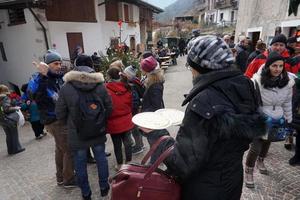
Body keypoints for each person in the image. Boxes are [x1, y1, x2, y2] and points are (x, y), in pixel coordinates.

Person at [160, 36, 266, 200]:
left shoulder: (203, 101)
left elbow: (181, 164)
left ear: (198, 66)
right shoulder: (246, 85)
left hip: (204, 188)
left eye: (190, 66)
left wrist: (159, 136)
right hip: (233, 180)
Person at [56, 65, 112, 200]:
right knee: (101, 159)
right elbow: (109, 108)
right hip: (98, 130)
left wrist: (69, 124)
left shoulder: (66, 88)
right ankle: (104, 188)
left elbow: (60, 113)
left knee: (80, 163)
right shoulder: (100, 86)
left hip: (77, 132)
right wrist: (100, 121)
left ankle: (86, 193)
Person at [244, 52, 294, 188]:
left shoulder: (287, 82)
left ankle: (261, 161)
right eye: (274, 66)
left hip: (277, 116)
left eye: (280, 66)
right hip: (260, 117)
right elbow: (250, 101)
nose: (277, 69)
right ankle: (249, 170)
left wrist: (289, 118)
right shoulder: (257, 81)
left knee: (268, 142)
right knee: (255, 147)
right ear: (268, 66)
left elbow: (287, 102)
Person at [30, 50, 75, 188]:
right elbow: (34, 96)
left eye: (60, 63)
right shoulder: (39, 79)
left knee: (60, 149)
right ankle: (69, 179)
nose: (59, 65)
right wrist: (43, 76)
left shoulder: (57, 77)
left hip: (59, 118)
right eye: (56, 63)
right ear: (47, 65)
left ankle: (61, 177)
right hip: (54, 120)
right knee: (69, 150)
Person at [106, 67, 134, 170]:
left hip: (113, 122)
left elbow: (107, 106)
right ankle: (129, 162)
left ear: (109, 76)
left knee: (117, 145)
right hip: (126, 119)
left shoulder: (106, 89)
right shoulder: (127, 86)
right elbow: (131, 104)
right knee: (128, 142)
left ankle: (120, 165)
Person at [122, 65, 146, 155]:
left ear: (128, 75)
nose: (123, 75)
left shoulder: (132, 84)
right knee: (136, 128)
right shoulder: (136, 80)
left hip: (135, 110)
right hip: (139, 107)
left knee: (134, 128)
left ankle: (139, 146)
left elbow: (134, 100)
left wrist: (131, 109)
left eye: (125, 73)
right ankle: (141, 144)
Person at [0, 84, 25, 155]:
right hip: (9, 119)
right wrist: (15, 108)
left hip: (2, 120)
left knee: (8, 135)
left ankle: (10, 150)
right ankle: (16, 149)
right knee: (14, 134)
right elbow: (6, 109)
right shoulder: (5, 98)